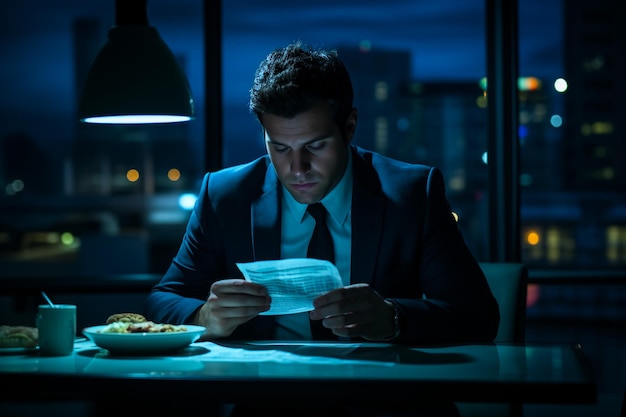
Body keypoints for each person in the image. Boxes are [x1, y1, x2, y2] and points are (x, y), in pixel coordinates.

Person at [145, 40, 499, 417]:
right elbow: (162, 300)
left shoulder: (412, 194)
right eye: (279, 148)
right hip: (270, 407)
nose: (297, 169)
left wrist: (393, 318)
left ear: (349, 127)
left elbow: (477, 315)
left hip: (389, 406)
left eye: (315, 146)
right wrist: (205, 317)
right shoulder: (225, 196)